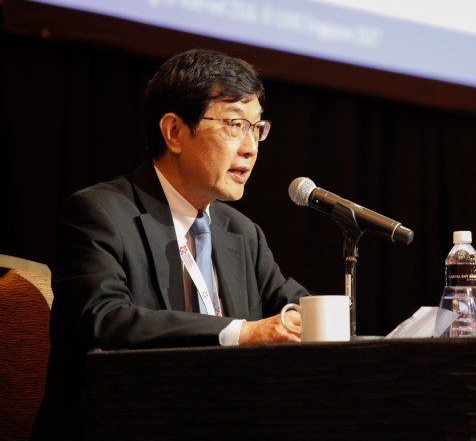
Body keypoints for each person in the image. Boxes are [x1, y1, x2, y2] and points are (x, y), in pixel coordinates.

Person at [34, 49, 309, 439]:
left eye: (256, 127)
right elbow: (104, 321)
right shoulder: (99, 214)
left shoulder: (241, 233)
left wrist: (315, 319)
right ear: (175, 132)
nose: (251, 147)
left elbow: (292, 303)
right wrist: (241, 333)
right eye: (235, 125)